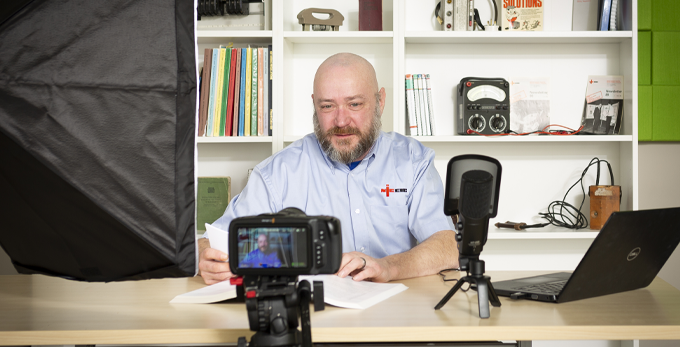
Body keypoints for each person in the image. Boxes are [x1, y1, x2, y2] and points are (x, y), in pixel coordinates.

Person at [198, 53, 459, 285]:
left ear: (380, 101)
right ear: (314, 105)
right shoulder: (277, 173)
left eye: (354, 104)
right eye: (327, 106)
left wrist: (388, 267)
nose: (341, 120)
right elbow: (215, 242)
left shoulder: (414, 160)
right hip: (312, 319)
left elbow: (447, 247)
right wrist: (205, 257)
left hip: (398, 316)